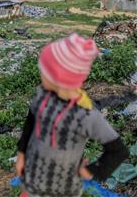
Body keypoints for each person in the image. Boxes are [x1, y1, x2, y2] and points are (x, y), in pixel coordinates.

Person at [15, 33, 129, 197]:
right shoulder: (43, 95)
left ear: (59, 77)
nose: (40, 72)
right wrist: (21, 154)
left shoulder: (86, 115)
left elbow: (118, 151)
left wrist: (91, 171)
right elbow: (31, 121)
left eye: (44, 70)